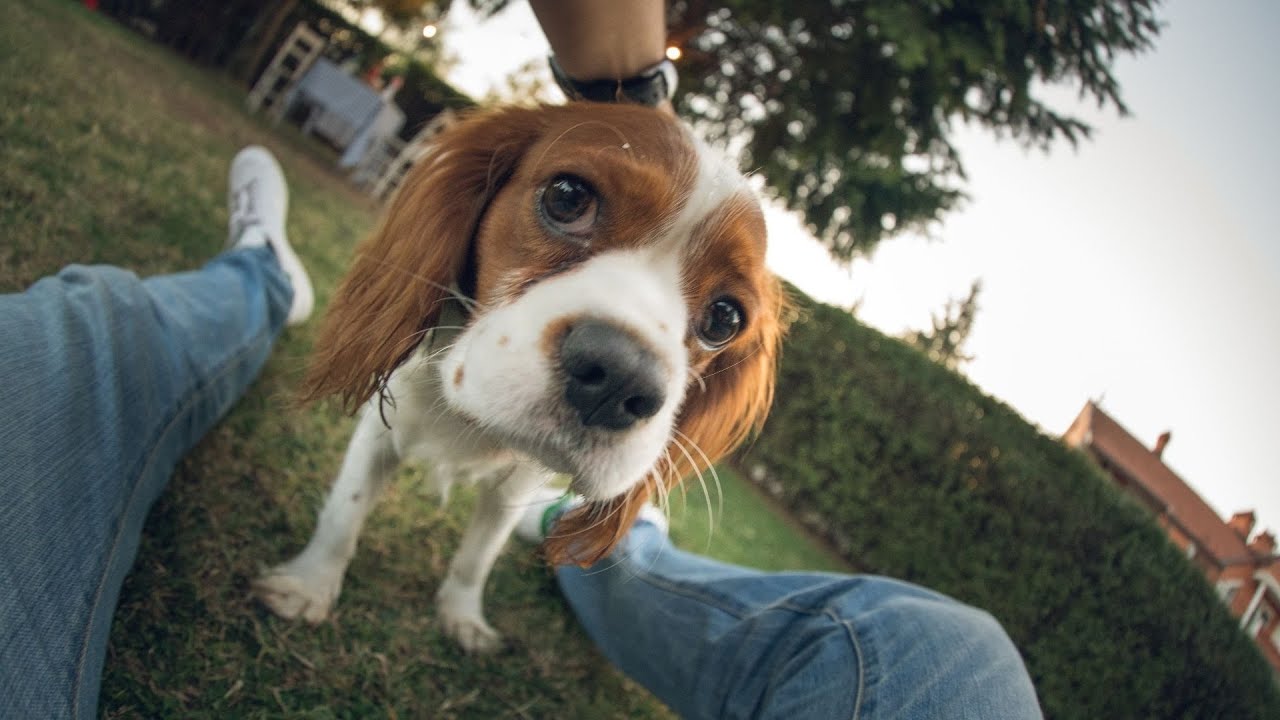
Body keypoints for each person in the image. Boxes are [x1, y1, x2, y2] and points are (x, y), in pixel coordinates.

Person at [0, 2, 1043, 718]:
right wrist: (326, 564)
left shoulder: (650, 390)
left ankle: (534, 552)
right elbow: (377, 435)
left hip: (534, 472)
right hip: (453, 358)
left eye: (717, 318)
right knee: (391, 433)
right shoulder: (455, 288)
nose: (631, 371)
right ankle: (269, 301)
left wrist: (463, 596)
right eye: (569, 200)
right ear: (487, 195)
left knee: (512, 494)